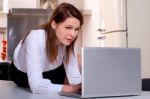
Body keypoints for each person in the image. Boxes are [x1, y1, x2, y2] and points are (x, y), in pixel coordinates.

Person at [9, 3, 83, 94]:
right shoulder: (35, 37)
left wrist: (86, 85)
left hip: (52, 72)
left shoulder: (68, 43)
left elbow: (74, 77)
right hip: (22, 74)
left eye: (76, 29)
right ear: (54, 24)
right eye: (68, 27)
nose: (73, 34)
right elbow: (36, 86)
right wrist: (69, 89)